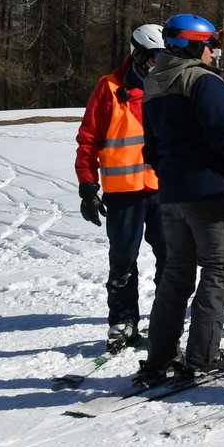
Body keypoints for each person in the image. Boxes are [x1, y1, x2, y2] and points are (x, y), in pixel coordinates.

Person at [137, 14, 224, 385]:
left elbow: (152, 147)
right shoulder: (203, 81)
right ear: (195, 44)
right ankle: (202, 357)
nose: (215, 52)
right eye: (210, 44)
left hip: (171, 193)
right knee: (219, 269)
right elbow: (222, 140)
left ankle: (159, 357)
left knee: (176, 273)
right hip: (207, 192)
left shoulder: (154, 82)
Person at [74, 24, 167, 351]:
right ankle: (124, 322)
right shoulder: (109, 89)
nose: (160, 63)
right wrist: (88, 185)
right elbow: (88, 139)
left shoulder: (170, 87)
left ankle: (164, 319)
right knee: (123, 261)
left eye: (165, 57)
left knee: (171, 257)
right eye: (154, 57)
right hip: (124, 193)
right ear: (139, 56)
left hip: (163, 190)